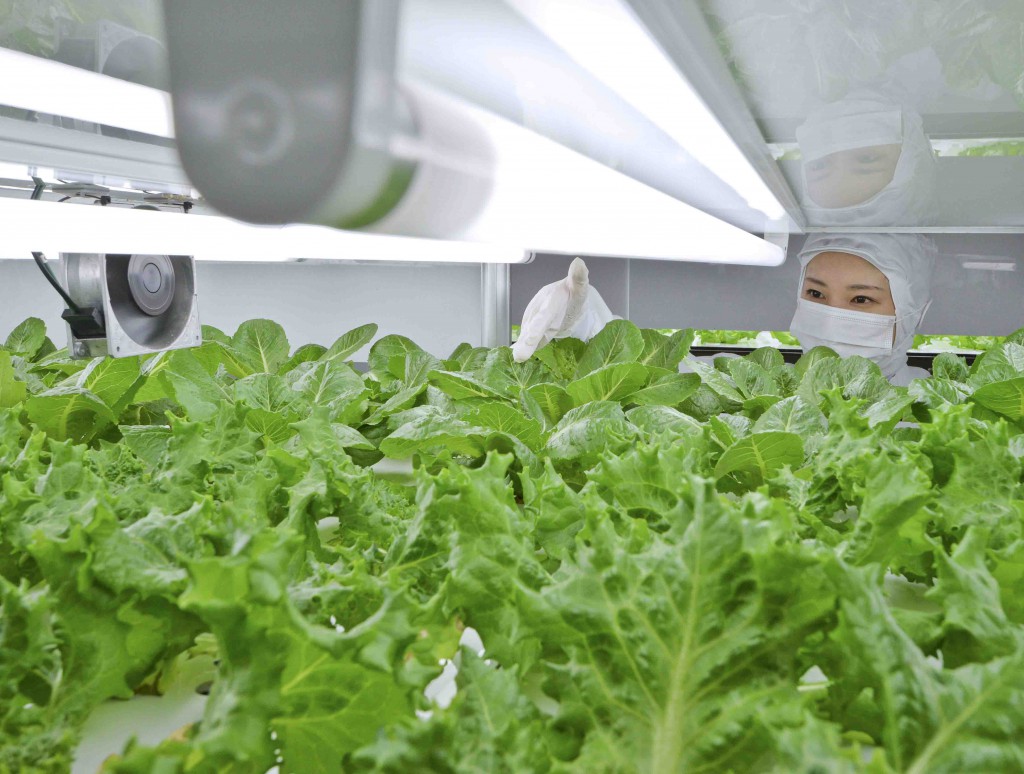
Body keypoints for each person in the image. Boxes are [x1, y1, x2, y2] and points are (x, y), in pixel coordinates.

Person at [513, 233, 937, 387]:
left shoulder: (936, 410)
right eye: (817, 294)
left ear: (914, 313)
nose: (833, 312)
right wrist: (580, 320)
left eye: (861, 300)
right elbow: (646, 375)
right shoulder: (745, 385)